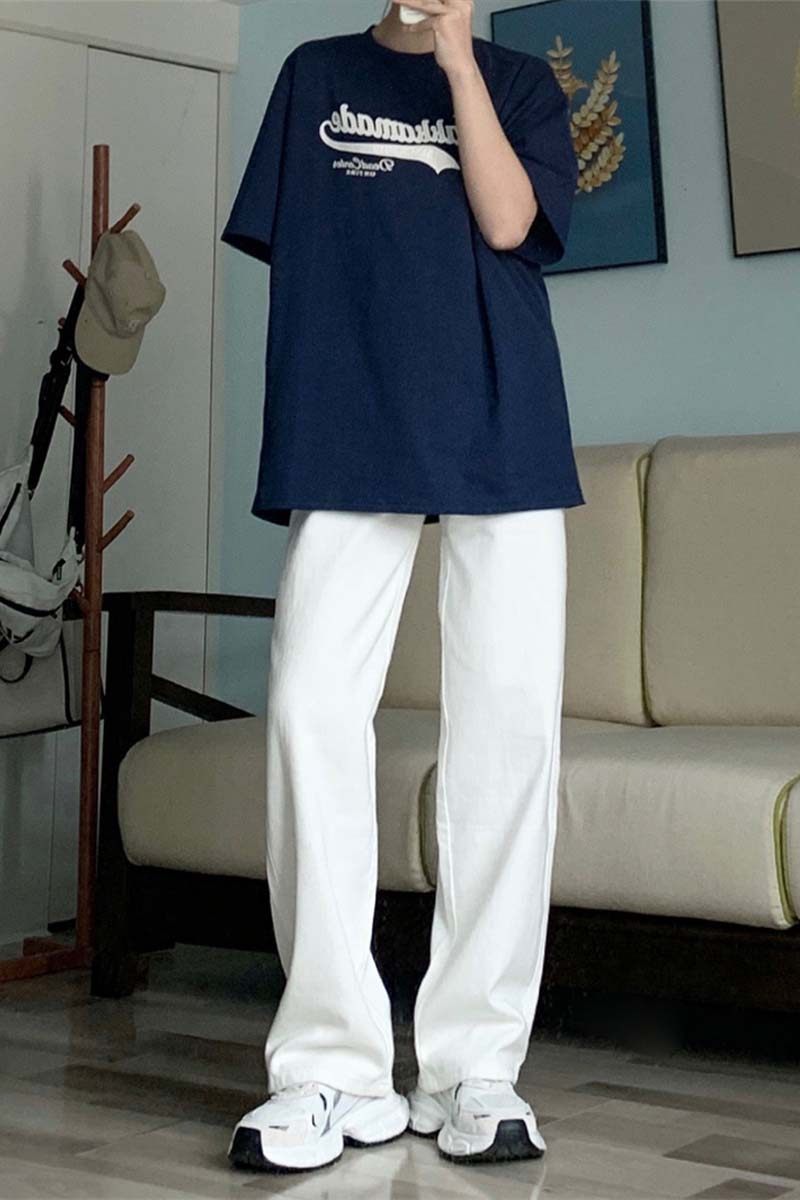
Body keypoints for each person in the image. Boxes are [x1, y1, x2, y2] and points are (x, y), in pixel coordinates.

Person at [221, 0, 585, 1174]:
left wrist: (457, 59)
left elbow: (507, 219)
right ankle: (328, 1070)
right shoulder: (311, 75)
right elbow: (304, 255)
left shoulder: (517, 83)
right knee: (307, 712)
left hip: (503, 422)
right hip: (348, 419)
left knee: (508, 730)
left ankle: (475, 1068)